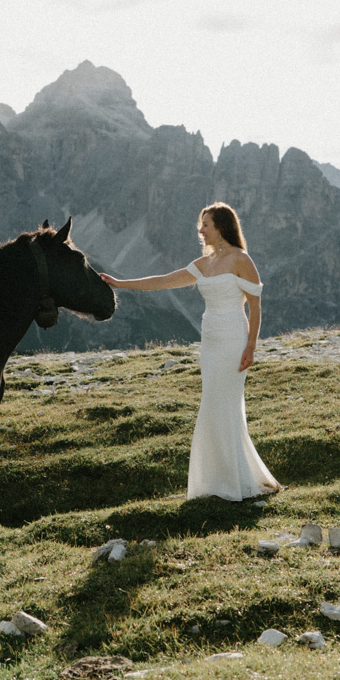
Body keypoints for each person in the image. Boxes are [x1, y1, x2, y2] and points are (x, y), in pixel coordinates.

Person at [100, 203, 282, 500]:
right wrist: (121, 283)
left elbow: (255, 304)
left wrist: (251, 346)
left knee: (221, 405)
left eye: (205, 224)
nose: (200, 230)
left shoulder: (241, 259)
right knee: (214, 405)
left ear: (221, 226)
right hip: (210, 341)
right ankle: (217, 483)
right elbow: (162, 281)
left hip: (234, 338)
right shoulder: (204, 263)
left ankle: (233, 484)